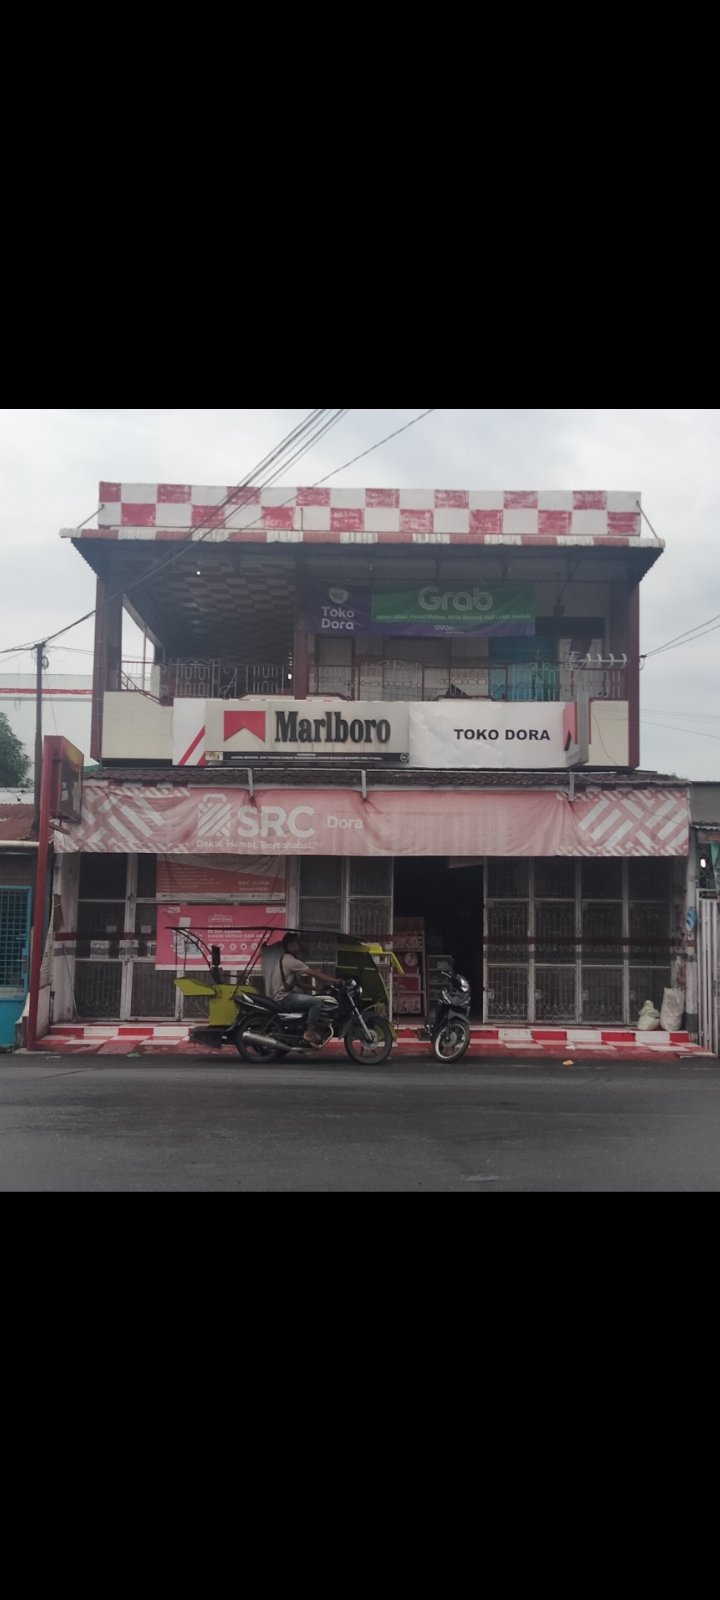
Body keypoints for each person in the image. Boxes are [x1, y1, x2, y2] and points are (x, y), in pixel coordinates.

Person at [269, 933, 337, 1045]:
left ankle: (303, 1030)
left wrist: (314, 988)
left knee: (312, 998)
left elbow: (298, 983)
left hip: (284, 995)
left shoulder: (286, 959)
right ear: (290, 944)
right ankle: (310, 1033)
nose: (300, 944)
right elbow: (314, 973)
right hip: (285, 998)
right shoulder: (291, 961)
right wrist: (335, 980)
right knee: (316, 1002)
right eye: (297, 942)